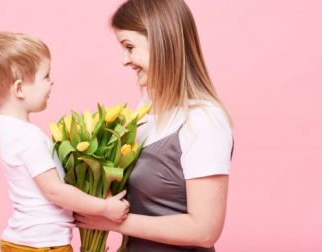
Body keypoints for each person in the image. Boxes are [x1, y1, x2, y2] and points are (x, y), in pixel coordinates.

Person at [75, 0, 234, 251]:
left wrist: (112, 222)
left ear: (162, 42)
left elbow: (205, 230)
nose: (124, 60)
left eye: (129, 47)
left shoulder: (204, 120)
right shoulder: (146, 111)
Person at [0, 31, 129, 252]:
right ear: (20, 88)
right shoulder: (26, 136)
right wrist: (104, 208)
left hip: (24, 241)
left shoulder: (5, 128)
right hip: (41, 245)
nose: (51, 81)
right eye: (45, 76)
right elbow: (54, 191)